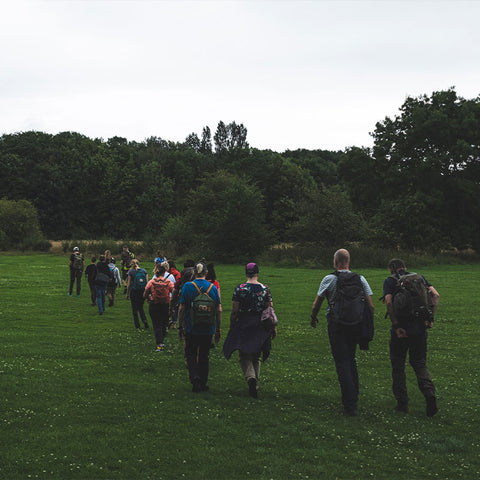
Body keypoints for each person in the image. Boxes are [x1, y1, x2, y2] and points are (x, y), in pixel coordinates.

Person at [310, 249, 374, 416]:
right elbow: (371, 305)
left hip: (337, 324)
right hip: (356, 325)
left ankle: (350, 404)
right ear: (348, 262)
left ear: (335, 262)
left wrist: (313, 317)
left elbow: (317, 302)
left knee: (342, 362)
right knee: (351, 359)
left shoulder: (329, 279)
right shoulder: (360, 278)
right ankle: (354, 396)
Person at [383, 258, 440, 417]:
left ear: (392, 269)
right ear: (404, 267)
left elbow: (388, 303)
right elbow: (435, 295)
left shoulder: (390, 281)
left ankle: (402, 404)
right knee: (419, 364)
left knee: (398, 365)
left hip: (401, 330)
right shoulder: (419, 278)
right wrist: (430, 318)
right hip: (420, 329)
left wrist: (396, 326)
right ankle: (429, 394)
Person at [223, 263, 276, 399]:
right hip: (260, 325)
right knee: (256, 355)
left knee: (244, 355)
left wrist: (232, 325)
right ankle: (255, 383)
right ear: (257, 273)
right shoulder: (265, 289)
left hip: (244, 323)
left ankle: (251, 378)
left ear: (246, 273)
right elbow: (269, 310)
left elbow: (234, 311)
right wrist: (273, 328)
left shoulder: (240, 289)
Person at [178, 261, 221, 393]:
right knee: (204, 355)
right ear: (206, 273)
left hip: (191, 327)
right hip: (208, 328)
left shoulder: (187, 286)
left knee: (190, 353)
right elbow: (218, 310)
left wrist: (180, 326)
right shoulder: (212, 288)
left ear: (194, 273)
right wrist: (218, 329)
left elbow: (181, 308)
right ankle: (203, 382)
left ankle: (195, 377)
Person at [144, 263, 174, 352]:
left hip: (154, 304)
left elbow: (145, 292)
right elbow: (174, 291)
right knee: (164, 323)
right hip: (165, 305)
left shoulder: (152, 282)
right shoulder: (168, 282)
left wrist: (149, 297)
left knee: (156, 324)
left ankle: (160, 344)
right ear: (163, 272)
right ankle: (162, 337)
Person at [127, 259, 149, 330]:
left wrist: (127, 293)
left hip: (134, 291)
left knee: (134, 309)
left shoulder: (131, 272)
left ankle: (137, 325)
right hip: (142, 291)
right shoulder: (144, 271)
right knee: (140, 307)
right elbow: (147, 282)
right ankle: (144, 320)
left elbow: (129, 284)